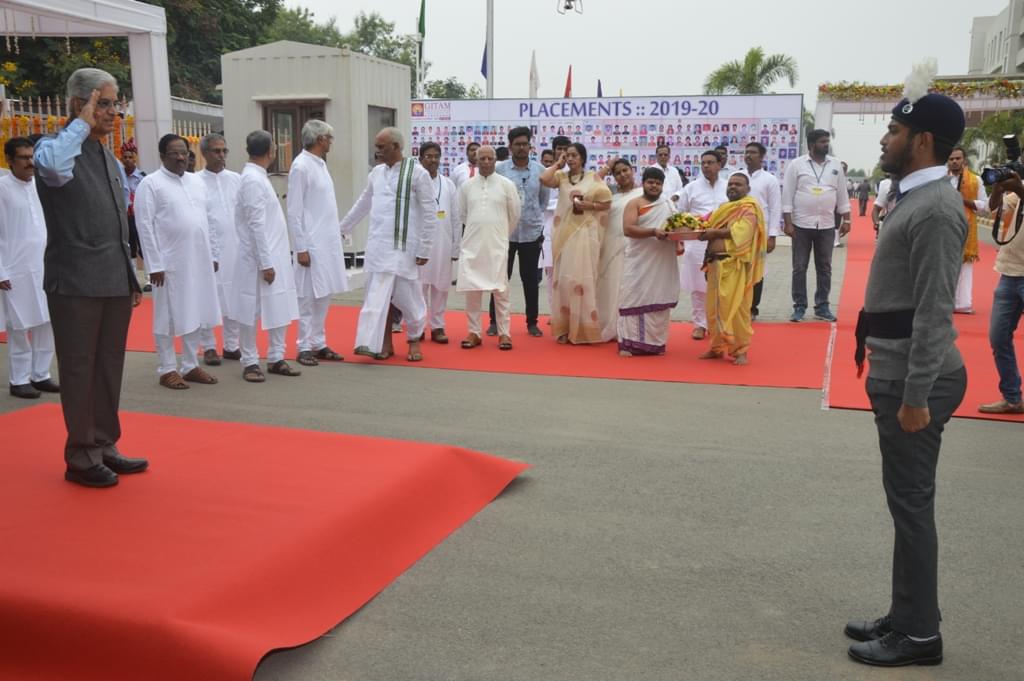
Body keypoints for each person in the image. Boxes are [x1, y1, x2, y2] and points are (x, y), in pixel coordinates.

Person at [846, 90, 968, 667]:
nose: (883, 138)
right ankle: (909, 611)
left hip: (914, 382)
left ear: (921, 141)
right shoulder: (912, 197)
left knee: (912, 505)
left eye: (893, 130)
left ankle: (920, 636)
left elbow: (935, 312)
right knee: (905, 503)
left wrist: (916, 395)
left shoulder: (939, 208)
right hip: (897, 372)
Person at [34, 68, 148, 488]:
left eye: (114, 104)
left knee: (108, 366)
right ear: (77, 104)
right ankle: (81, 455)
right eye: (103, 103)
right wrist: (81, 123)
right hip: (76, 280)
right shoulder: (54, 148)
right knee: (80, 368)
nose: (112, 112)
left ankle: (103, 443)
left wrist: (131, 277)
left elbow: (119, 222)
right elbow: (52, 169)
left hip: (114, 279)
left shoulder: (108, 155)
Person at [340, 127, 438, 362]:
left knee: (408, 299)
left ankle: (414, 339)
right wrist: (341, 229)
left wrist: (425, 248)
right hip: (378, 248)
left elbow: (430, 212)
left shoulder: (417, 173)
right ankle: (383, 343)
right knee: (377, 298)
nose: (377, 151)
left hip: (404, 250)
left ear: (395, 146)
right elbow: (363, 203)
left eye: (381, 147)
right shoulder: (376, 174)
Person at [134, 133, 222, 389]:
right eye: (175, 153)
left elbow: (209, 221)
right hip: (169, 265)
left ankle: (190, 364)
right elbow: (144, 226)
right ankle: (167, 368)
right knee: (166, 317)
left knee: (195, 311)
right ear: (162, 156)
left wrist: (213, 254)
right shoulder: (150, 184)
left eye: (184, 152)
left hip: (199, 260)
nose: (182, 157)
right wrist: (154, 265)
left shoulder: (196, 182)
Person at [231, 130, 302, 383]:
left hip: (274, 256)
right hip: (258, 259)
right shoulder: (252, 179)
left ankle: (276, 356)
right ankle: (250, 361)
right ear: (271, 152)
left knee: (278, 306)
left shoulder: (259, 177)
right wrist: (266, 262)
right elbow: (255, 224)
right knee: (251, 309)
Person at [0, 137, 59, 399]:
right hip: (16, 269)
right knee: (20, 327)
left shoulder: (41, 186)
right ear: (10, 161)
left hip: (45, 266)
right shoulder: (2, 189)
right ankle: (19, 379)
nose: (29, 162)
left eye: (31, 156)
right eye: (23, 158)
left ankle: (41, 374)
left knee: (47, 322)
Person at [287, 120, 348, 367]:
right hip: (310, 244)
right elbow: (294, 211)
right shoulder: (301, 166)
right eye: (329, 138)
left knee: (324, 295)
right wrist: (300, 247)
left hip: (327, 242)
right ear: (320, 139)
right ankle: (303, 346)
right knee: (307, 297)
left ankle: (318, 343)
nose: (331, 142)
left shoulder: (320, 164)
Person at [539, 142, 613, 344]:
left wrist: (589, 205)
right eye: (567, 155)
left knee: (583, 282)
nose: (570, 159)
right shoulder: (561, 177)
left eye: (573, 155)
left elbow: (607, 202)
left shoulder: (592, 178)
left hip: (584, 236)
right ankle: (564, 328)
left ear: (582, 158)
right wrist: (557, 164)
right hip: (564, 236)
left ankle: (583, 330)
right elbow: (543, 178)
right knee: (563, 281)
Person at [692, 171, 766, 366]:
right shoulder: (723, 208)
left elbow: (742, 233)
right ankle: (716, 348)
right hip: (715, 265)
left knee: (738, 310)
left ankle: (740, 351)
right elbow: (704, 222)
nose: (733, 187)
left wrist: (714, 232)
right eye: (731, 184)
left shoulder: (749, 208)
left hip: (735, 265)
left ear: (748, 189)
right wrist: (689, 224)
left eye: (738, 184)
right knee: (714, 310)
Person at [782, 129, 850, 322]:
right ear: (812, 144)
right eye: (822, 141)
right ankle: (799, 306)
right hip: (801, 225)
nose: (826, 144)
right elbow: (787, 194)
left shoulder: (835, 165)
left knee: (825, 267)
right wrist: (788, 223)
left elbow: (842, 195)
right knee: (799, 267)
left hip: (827, 225)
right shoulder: (796, 165)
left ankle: (822, 306)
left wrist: (847, 219)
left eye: (827, 141)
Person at [457, 145, 520, 350]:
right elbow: (463, 214)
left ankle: (504, 333)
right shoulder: (467, 186)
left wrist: (501, 235)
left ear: (495, 161)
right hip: (473, 244)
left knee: (501, 291)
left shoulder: (506, 185)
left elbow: (515, 215)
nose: (485, 162)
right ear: (475, 161)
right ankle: (474, 332)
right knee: (472, 291)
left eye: (489, 159)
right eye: (481, 159)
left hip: (497, 244)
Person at [492, 126, 550, 337]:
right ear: (510, 147)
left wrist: (532, 218)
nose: (521, 148)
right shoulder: (500, 170)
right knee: (499, 278)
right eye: (517, 144)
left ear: (530, 146)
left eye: (525, 144)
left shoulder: (540, 171)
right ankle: (494, 321)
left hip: (531, 233)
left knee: (530, 279)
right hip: (504, 233)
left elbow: (543, 201)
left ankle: (532, 322)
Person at [617, 167, 680, 355]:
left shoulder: (668, 204)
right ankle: (630, 344)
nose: (654, 186)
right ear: (643, 183)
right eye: (650, 182)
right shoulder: (634, 203)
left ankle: (655, 344)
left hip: (662, 260)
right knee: (633, 295)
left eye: (658, 183)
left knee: (658, 296)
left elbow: (676, 226)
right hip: (639, 261)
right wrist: (653, 231)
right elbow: (628, 229)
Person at [978, 167, 1024, 414]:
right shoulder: (1017, 187)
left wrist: (1020, 190)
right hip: (1009, 272)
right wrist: (998, 186)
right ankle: (1012, 397)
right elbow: (994, 209)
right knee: (998, 337)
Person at [197, 133, 242, 363]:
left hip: (234, 247)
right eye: (216, 151)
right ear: (204, 153)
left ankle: (232, 345)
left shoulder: (236, 179)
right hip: (208, 250)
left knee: (233, 295)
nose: (221, 155)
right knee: (209, 296)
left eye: (224, 151)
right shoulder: (195, 181)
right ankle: (208, 346)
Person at [676, 150, 728, 340]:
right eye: (703, 163)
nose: (706, 166)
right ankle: (699, 324)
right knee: (698, 287)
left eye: (710, 162)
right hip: (697, 243)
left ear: (719, 165)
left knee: (722, 284)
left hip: (722, 241)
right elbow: (680, 214)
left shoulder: (727, 187)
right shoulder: (691, 188)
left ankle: (719, 323)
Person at [418, 141, 461, 343]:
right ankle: (417, 327)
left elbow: (455, 217)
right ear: (420, 159)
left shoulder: (448, 184)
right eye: (428, 156)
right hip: (420, 245)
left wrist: (456, 247)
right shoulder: (414, 181)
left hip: (443, 245)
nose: (433, 160)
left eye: (436, 156)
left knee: (441, 287)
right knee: (418, 288)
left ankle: (437, 326)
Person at [600, 157, 644, 341]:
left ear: (632, 170)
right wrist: (606, 167)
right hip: (612, 248)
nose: (623, 175)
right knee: (612, 288)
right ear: (613, 177)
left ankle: (632, 330)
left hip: (636, 249)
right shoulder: (611, 198)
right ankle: (613, 328)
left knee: (632, 290)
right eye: (617, 173)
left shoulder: (643, 193)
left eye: (625, 170)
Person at [946, 146, 988, 314]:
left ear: (964, 160)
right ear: (947, 161)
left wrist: (965, 201)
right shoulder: (940, 180)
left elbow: (984, 206)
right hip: (944, 227)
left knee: (965, 266)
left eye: (957, 158)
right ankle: (944, 302)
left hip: (966, 227)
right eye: (951, 159)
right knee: (944, 266)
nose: (954, 161)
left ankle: (963, 304)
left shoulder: (975, 180)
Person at [744, 142, 781, 320]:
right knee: (739, 268)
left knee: (757, 270)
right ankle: (740, 305)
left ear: (762, 156)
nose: (748, 155)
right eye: (747, 152)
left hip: (760, 231)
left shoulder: (770, 180)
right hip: (739, 231)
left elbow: (775, 208)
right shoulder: (737, 176)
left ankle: (752, 308)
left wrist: (772, 236)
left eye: (753, 152)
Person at [119, 138, 148, 290]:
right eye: (125, 157)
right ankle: (133, 278)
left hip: (139, 215)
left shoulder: (143, 177)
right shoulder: (118, 175)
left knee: (143, 245)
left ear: (135, 158)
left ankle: (148, 278)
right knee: (129, 245)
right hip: (125, 216)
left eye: (131, 157)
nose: (128, 160)